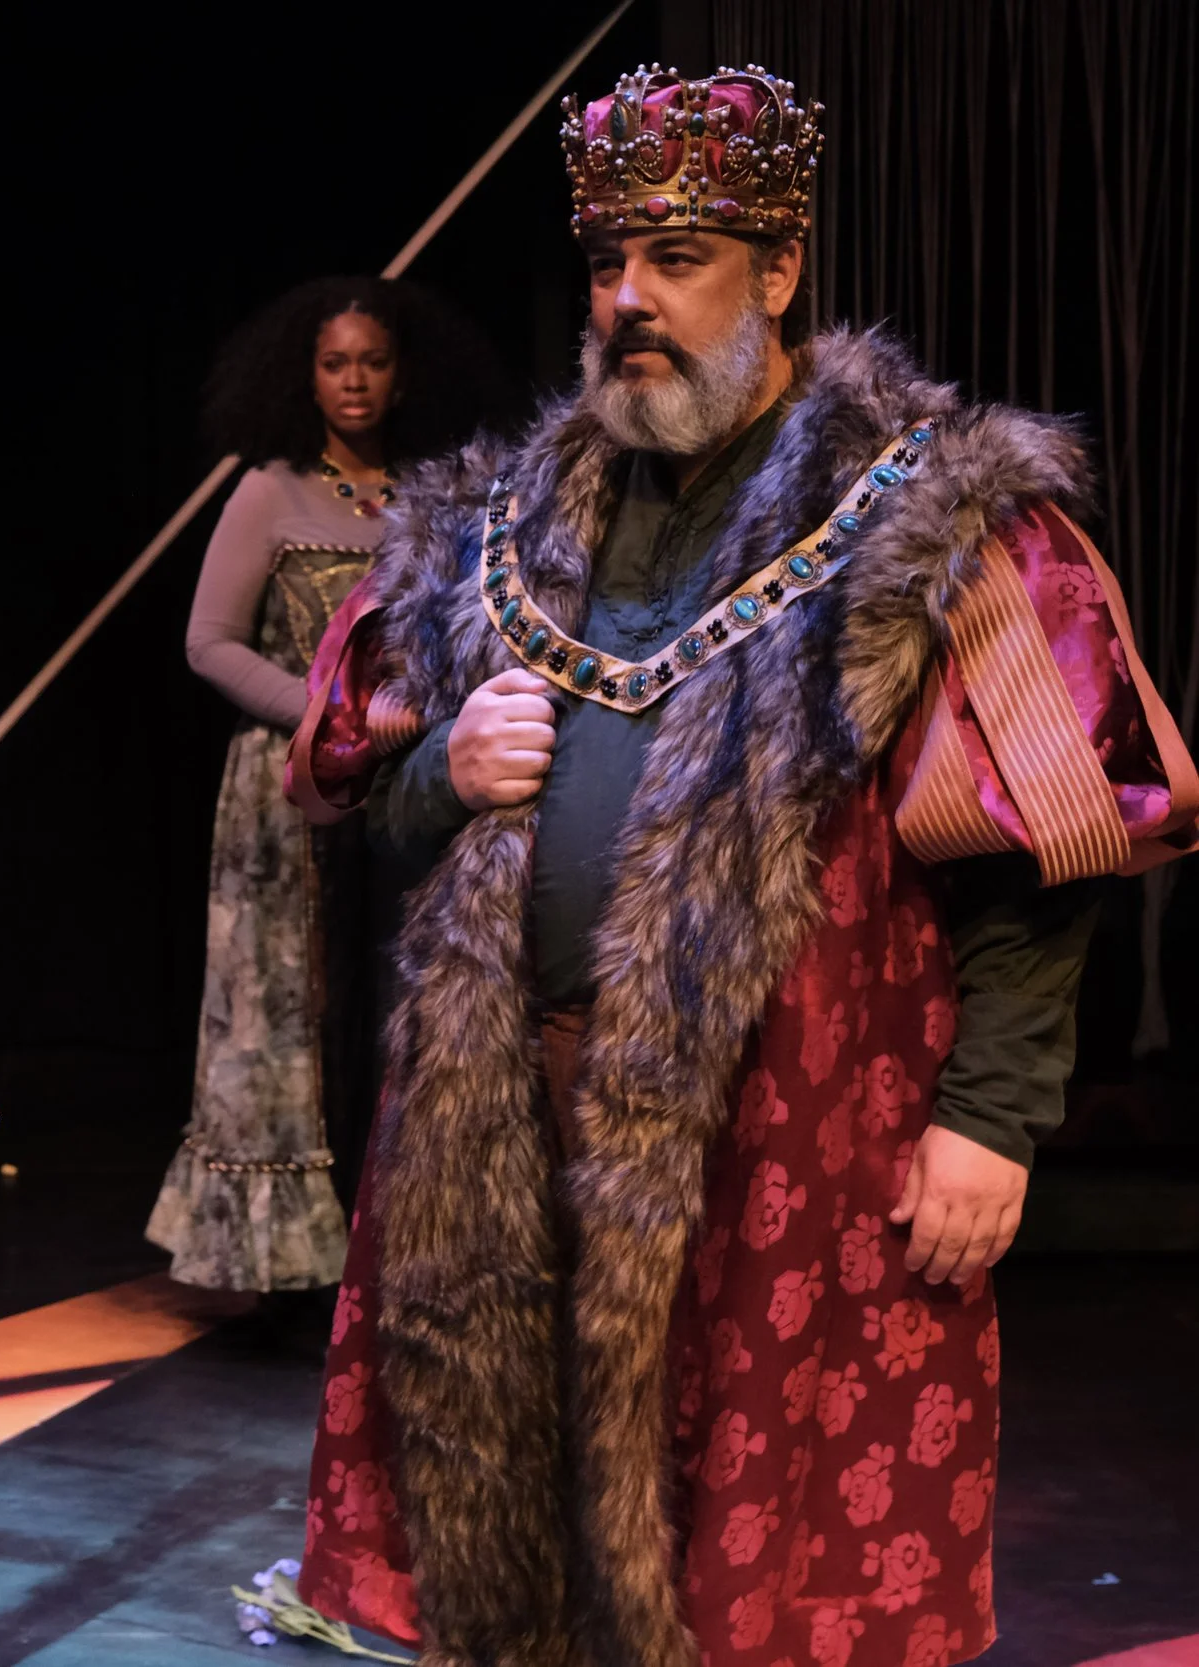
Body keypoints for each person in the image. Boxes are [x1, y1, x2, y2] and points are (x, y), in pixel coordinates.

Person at [287, 64, 1196, 1667]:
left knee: (757, 1573)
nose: (628, 301)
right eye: (607, 263)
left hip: (796, 1131)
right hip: (507, 1114)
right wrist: (445, 765)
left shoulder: (932, 515)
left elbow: (1049, 856)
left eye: (679, 258)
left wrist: (994, 1116)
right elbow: (364, 788)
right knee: (513, 1551)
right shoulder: (489, 520)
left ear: (778, 272)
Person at [147, 278, 496, 1298]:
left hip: (406, 781)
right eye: (335, 363)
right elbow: (208, 641)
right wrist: (317, 715)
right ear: (304, 377)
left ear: (402, 375)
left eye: (372, 362)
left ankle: (397, 1238)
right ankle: (283, 1259)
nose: (354, 382)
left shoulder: (434, 495)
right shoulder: (269, 491)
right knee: (292, 1001)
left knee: (393, 994)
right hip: (287, 787)